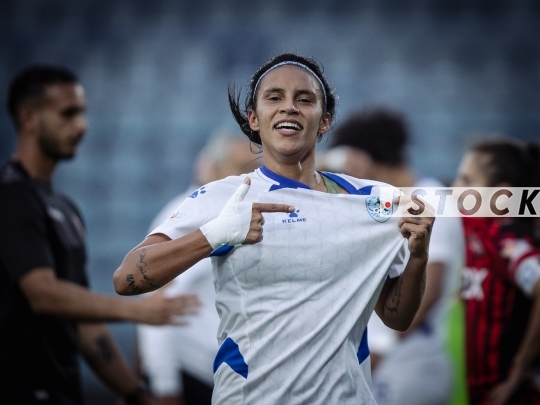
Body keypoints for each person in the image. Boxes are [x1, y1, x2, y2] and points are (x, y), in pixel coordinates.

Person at [113, 52, 435, 404]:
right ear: (253, 118)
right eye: (274, 97)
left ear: (325, 121)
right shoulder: (223, 197)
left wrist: (418, 258)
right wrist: (216, 234)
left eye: (304, 99)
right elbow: (127, 278)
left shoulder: (369, 201)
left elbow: (396, 318)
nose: (289, 107)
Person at [0, 65, 200, 405]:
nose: (82, 125)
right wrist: (136, 311)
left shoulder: (65, 208)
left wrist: (136, 394)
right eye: (68, 113)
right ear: (29, 117)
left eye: (82, 113)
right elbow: (43, 294)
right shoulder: (11, 197)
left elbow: (83, 322)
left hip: (63, 392)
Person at [321, 107, 465, 405]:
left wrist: (382, 349)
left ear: (368, 160)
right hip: (383, 362)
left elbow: (431, 284)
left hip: (409, 364)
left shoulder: (429, 197)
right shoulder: (386, 205)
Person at [137, 129, 261, 405]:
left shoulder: (239, 216)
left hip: (220, 375)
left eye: (256, 170)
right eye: (241, 170)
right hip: (190, 375)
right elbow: (159, 302)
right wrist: (165, 386)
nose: (250, 180)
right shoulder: (194, 216)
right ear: (212, 167)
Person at [453, 138, 540, 405]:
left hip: (509, 394)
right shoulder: (474, 233)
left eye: (467, 180)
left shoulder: (506, 241)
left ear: (502, 197)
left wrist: (520, 369)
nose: (455, 189)